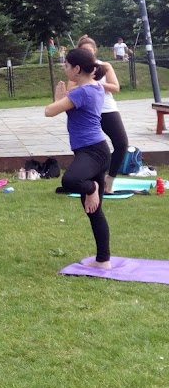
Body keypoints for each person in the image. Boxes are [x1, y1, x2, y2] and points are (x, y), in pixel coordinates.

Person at [45, 48, 111, 269]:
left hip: (92, 152)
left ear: (77, 69)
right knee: (94, 210)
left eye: (66, 65)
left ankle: (90, 187)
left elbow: (49, 111)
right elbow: (66, 109)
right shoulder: (95, 87)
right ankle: (103, 260)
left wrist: (58, 98)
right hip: (96, 151)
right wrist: (62, 99)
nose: (64, 69)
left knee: (70, 181)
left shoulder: (81, 93)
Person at [76, 35, 129, 193]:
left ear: (95, 51)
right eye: (83, 52)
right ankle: (91, 180)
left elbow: (115, 87)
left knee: (121, 143)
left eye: (90, 52)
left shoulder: (104, 66)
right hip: (88, 111)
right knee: (92, 148)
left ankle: (109, 180)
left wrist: (94, 83)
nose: (87, 55)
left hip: (107, 109)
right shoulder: (77, 69)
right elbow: (70, 90)